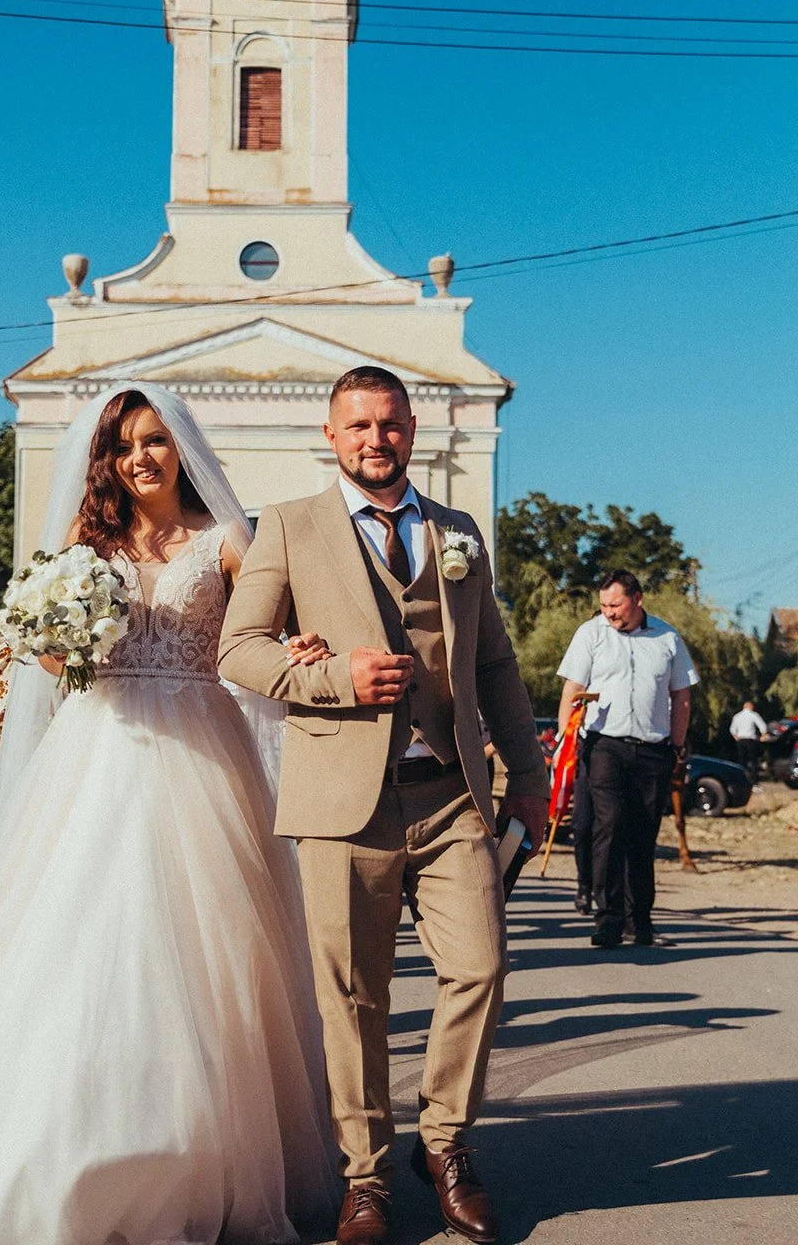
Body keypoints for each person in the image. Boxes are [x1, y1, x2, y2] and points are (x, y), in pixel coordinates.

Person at [0, 383, 337, 1245]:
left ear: (182, 448)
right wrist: (42, 658)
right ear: (106, 459)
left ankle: (199, 1155)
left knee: (207, 956)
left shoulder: (228, 541)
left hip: (201, 758)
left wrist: (303, 647)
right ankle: (59, 1152)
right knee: (75, 945)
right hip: (95, 753)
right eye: (125, 445)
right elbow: (32, 659)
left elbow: (260, 641)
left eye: (156, 440)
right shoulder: (84, 542)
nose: (142, 458)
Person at [218, 366, 550, 1245]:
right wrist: (334, 677)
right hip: (341, 802)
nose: (376, 439)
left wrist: (528, 774)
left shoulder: (456, 532)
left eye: (390, 423)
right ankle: (364, 1177)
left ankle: (444, 1143)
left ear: (410, 429)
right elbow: (238, 649)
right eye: (358, 425)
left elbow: (494, 664)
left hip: (450, 794)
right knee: (352, 995)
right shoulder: (288, 526)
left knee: (479, 967)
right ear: (330, 435)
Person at [557, 569, 699, 950]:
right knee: (611, 824)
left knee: (643, 833)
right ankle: (609, 918)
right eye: (604, 605)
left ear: (637, 599)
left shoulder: (668, 638)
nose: (609, 612)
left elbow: (682, 695)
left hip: (654, 749)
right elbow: (572, 689)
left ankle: (640, 922)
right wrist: (566, 743)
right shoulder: (591, 634)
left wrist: (677, 746)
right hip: (605, 746)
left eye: (616, 605)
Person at [729, 698, 768, 784]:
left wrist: (735, 736)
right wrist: (763, 734)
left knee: (741, 759)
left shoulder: (737, 716)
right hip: (750, 740)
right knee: (753, 760)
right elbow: (762, 725)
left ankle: (741, 778)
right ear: (751, 707)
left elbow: (732, 729)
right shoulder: (753, 715)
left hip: (740, 740)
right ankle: (754, 779)